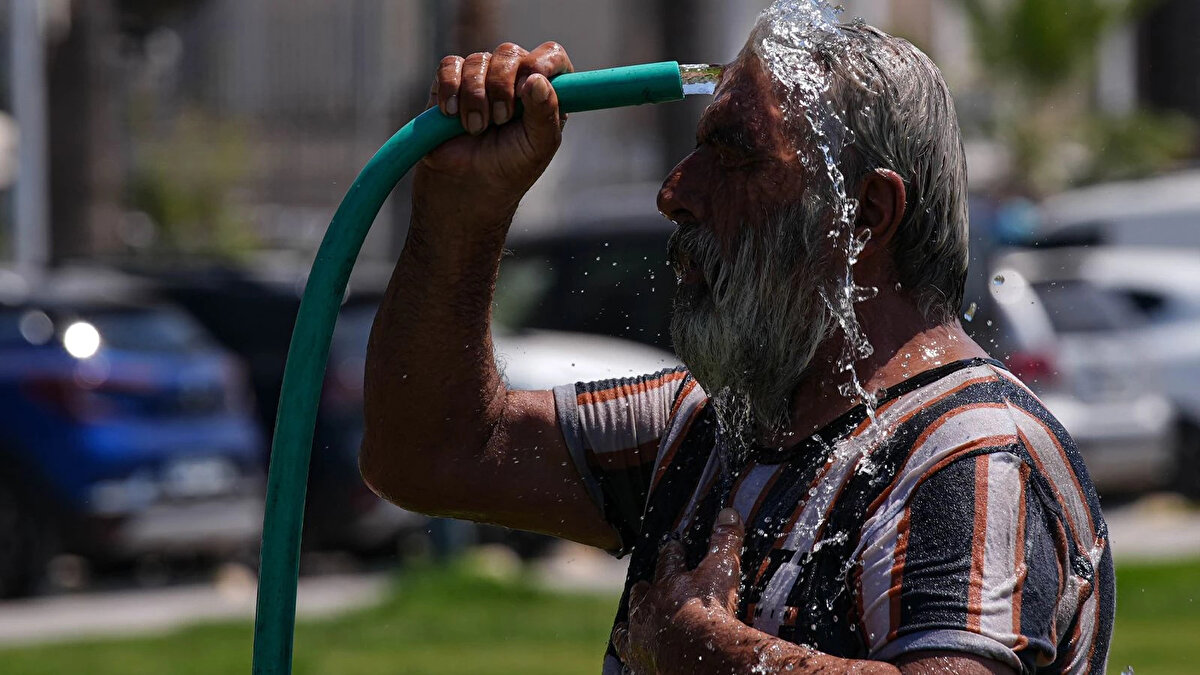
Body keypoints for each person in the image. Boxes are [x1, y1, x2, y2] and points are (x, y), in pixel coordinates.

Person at [360, 18, 1114, 675]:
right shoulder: (709, 428)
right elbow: (430, 450)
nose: (675, 190)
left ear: (864, 215)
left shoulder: (975, 453)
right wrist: (467, 210)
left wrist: (699, 649)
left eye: (734, 153)